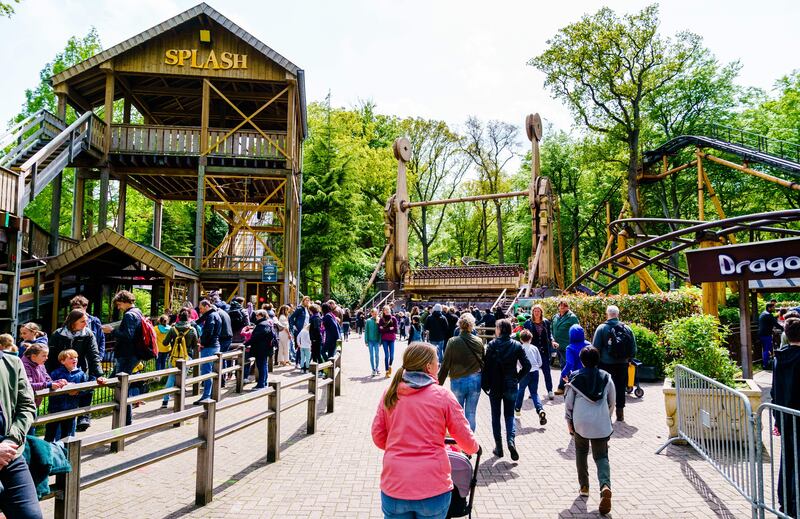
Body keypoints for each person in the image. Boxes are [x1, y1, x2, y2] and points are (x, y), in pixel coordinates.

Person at [371, 342, 480, 519]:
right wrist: (474, 448)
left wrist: (398, 446)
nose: (440, 365)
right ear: (428, 366)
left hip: (395, 483)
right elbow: (465, 440)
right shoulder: (442, 396)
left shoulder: (390, 393)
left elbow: (378, 436)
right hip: (432, 486)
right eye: (438, 361)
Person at [564, 345, 615, 516]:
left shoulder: (574, 377)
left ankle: (584, 487)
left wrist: (569, 421)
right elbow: (611, 401)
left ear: (582, 360)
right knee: (601, 456)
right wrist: (607, 417)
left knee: (581, 452)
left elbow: (568, 403)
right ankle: (605, 486)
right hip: (601, 423)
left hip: (581, 423)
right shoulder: (606, 377)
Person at [0, 340, 41, 518]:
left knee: (31, 516)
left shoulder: (12, 363)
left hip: (10, 455)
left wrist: (11, 440)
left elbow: (27, 406)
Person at [482, 319, 531, 460]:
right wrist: (517, 377)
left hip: (495, 385)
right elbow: (527, 365)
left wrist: (485, 385)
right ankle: (511, 441)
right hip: (511, 384)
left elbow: (487, 368)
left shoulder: (492, 345)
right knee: (509, 415)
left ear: (499, 329)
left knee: (495, 417)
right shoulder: (516, 345)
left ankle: (499, 447)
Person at [438, 312, 484, 432]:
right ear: (472, 325)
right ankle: (469, 443)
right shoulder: (478, 341)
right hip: (475, 379)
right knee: (471, 412)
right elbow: (483, 360)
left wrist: (438, 384)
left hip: (457, 379)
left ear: (459, 326)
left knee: (458, 413)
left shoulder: (452, 342)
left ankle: (459, 442)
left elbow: (445, 364)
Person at [772, 317, 800, 515]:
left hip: (785, 416)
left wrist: (776, 419)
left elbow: (775, 391)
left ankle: (785, 501)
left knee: (787, 458)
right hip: (797, 415)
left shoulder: (778, 359)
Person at [102, 290, 142, 425]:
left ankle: (124, 419)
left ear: (125, 302)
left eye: (119, 304)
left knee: (121, 386)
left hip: (126, 354)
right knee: (122, 385)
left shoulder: (129, 315)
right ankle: (126, 418)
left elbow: (128, 336)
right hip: (131, 354)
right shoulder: (138, 312)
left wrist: (111, 331)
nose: (118, 308)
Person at [592, 305, 637, 422]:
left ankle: (606, 413)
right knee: (621, 387)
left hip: (605, 364)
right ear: (617, 314)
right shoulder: (627, 328)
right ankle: (620, 413)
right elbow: (633, 349)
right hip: (622, 364)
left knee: (606, 387)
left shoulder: (602, 328)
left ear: (607, 314)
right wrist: (628, 359)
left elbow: (595, 348)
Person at [45, 349, 90, 442]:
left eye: (76, 357)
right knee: (50, 432)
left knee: (67, 434)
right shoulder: (56, 373)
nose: (74, 360)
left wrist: (77, 392)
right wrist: (64, 390)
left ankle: (64, 452)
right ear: (62, 361)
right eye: (71, 358)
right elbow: (50, 386)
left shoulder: (81, 374)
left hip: (71, 408)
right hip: (55, 408)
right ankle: (47, 452)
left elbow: (86, 389)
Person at [161, 309, 197, 408]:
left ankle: (165, 401)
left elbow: (165, 342)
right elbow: (195, 344)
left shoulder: (173, 329)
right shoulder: (192, 329)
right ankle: (179, 402)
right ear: (188, 318)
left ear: (178, 318)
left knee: (171, 378)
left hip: (174, 357)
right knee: (182, 379)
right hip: (186, 356)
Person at [515, 329, 547, 426]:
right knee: (534, 393)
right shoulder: (534, 348)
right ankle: (540, 409)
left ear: (521, 339)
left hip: (525, 372)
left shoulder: (520, 348)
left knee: (521, 390)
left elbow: (519, 363)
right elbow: (540, 362)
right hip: (535, 372)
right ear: (531, 338)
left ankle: (517, 409)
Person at [523, 304, 555, 400]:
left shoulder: (546, 322)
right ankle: (533, 392)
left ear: (541, 312)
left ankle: (550, 390)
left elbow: (550, 335)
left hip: (544, 351)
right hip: (532, 351)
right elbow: (524, 336)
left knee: (547, 371)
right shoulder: (528, 323)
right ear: (532, 312)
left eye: (538, 311)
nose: (536, 313)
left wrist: (553, 341)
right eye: (535, 311)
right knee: (532, 372)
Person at [195, 299, 222, 404]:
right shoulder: (215, 314)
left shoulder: (211, 316)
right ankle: (211, 394)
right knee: (211, 371)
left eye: (201, 308)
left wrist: (202, 343)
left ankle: (206, 396)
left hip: (209, 347)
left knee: (206, 372)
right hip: (215, 345)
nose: (200, 311)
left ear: (207, 306)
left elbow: (209, 331)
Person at [552, 300, 580, 395]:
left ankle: (561, 387)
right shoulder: (555, 317)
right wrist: (552, 340)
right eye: (560, 305)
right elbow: (552, 329)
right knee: (563, 365)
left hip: (568, 347)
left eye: (564, 306)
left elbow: (577, 331)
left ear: (568, 307)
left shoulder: (572, 317)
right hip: (557, 347)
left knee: (566, 366)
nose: (562, 307)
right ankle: (570, 385)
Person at [246, 309, 275, 389]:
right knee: (264, 365)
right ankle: (264, 383)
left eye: (257, 315)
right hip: (265, 348)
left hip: (261, 349)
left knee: (261, 366)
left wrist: (246, 344)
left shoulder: (262, 325)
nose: (256, 317)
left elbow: (256, 337)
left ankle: (261, 384)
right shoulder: (267, 323)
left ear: (262, 316)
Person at [759, 302, 782, 370]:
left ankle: (766, 363)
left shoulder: (763, 313)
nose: (774, 309)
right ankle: (766, 365)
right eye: (773, 307)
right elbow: (776, 324)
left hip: (761, 334)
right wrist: (784, 329)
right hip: (766, 335)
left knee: (765, 349)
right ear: (769, 308)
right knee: (767, 349)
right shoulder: (769, 315)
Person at [289, 297, 311, 367]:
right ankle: (297, 363)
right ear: (303, 301)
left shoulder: (308, 309)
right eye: (306, 300)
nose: (307, 302)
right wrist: (293, 327)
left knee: (306, 346)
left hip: (307, 331)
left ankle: (303, 363)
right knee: (299, 346)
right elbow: (291, 317)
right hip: (300, 330)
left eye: (308, 300)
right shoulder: (299, 309)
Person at [378, 305, 398, 378]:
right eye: (385, 310)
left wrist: (384, 328)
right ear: (383, 311)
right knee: (387, 356)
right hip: (385, 339)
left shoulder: (394, 319)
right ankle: (387, 371)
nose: (387, 311)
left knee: (392, 356)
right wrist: (389, 328)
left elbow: (396, 330)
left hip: (392, 339)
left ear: (390, 310)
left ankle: (390, 366)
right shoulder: (381, 319)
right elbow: (380, 330)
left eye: (388, 310)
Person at [365, 308, 382, 377]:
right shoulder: (368, 321)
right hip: (370, 341)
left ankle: (377, 368)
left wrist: (380, 340)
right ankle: (373, 369)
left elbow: (380, 331)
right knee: (371, 355)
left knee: (377, 355)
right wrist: (366, 340)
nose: (375, 315)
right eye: (374, 313)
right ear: (371, 313)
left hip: (377, 341)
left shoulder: (379, 320)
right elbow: (366, 331)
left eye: (376, 314)